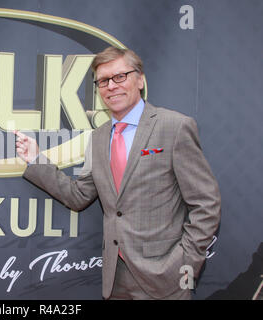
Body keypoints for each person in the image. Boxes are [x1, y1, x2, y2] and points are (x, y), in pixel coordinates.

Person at [14, 46, 221, 300]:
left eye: (120, 76)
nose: (111, 86)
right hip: (115, 279)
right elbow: (79, 196)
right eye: (103, 81)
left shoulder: (174, 127)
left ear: (140, 80)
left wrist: (185, 265)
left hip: (167, 279)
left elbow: (206, 204)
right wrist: (37, 159)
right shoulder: (98, 137)